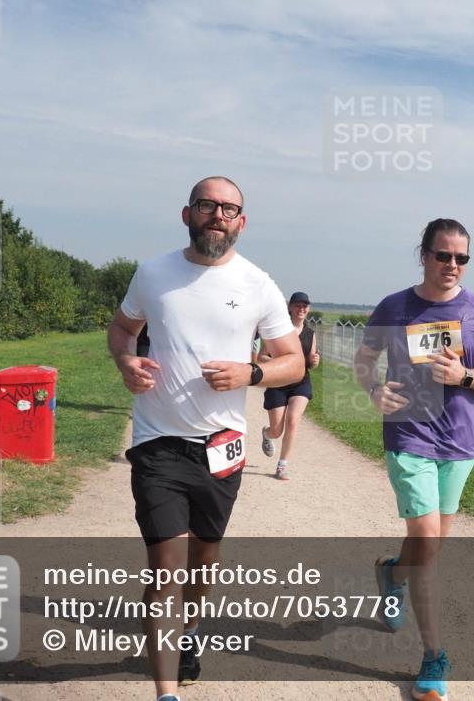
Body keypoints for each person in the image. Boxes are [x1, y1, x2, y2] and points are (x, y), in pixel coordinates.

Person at [107, 176, 303, 701]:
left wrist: (251, 375)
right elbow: (122, 328)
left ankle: (189, 633)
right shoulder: (153, 273)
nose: (218, 214)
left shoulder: (258, 283)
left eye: (229, 208)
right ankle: (166, 694)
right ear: (187, 213)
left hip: (223, 446)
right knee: (166, 570)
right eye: (207, 205)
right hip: (157, 442)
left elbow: (293, 360)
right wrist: (126, 360)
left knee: (202, 561)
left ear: (241, 221)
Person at [353, 219, 474, 701]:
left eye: (462, 258)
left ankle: (390, 574)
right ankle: (433, 655)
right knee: (427, 541)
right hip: (409, 436)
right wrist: (375, 389)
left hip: (459, 444)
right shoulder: (395, 306)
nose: (453, 266)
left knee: (429, 547)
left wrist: (465, 376)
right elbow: (363, 360)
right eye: (444, 256)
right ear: (423, 255)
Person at [258, 292, 320, 480]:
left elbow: (312, 361)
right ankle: (267, 435)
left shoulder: (311, 334)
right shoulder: (279, 331)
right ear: (290, 307)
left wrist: (315, 361)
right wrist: (281, 362)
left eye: (305, 306)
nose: (302, 309)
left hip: (300, 382)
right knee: (277, 431)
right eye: (298, 305)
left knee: (293, 420)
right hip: (278, 382)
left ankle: (282, 465)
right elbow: (261, 356)